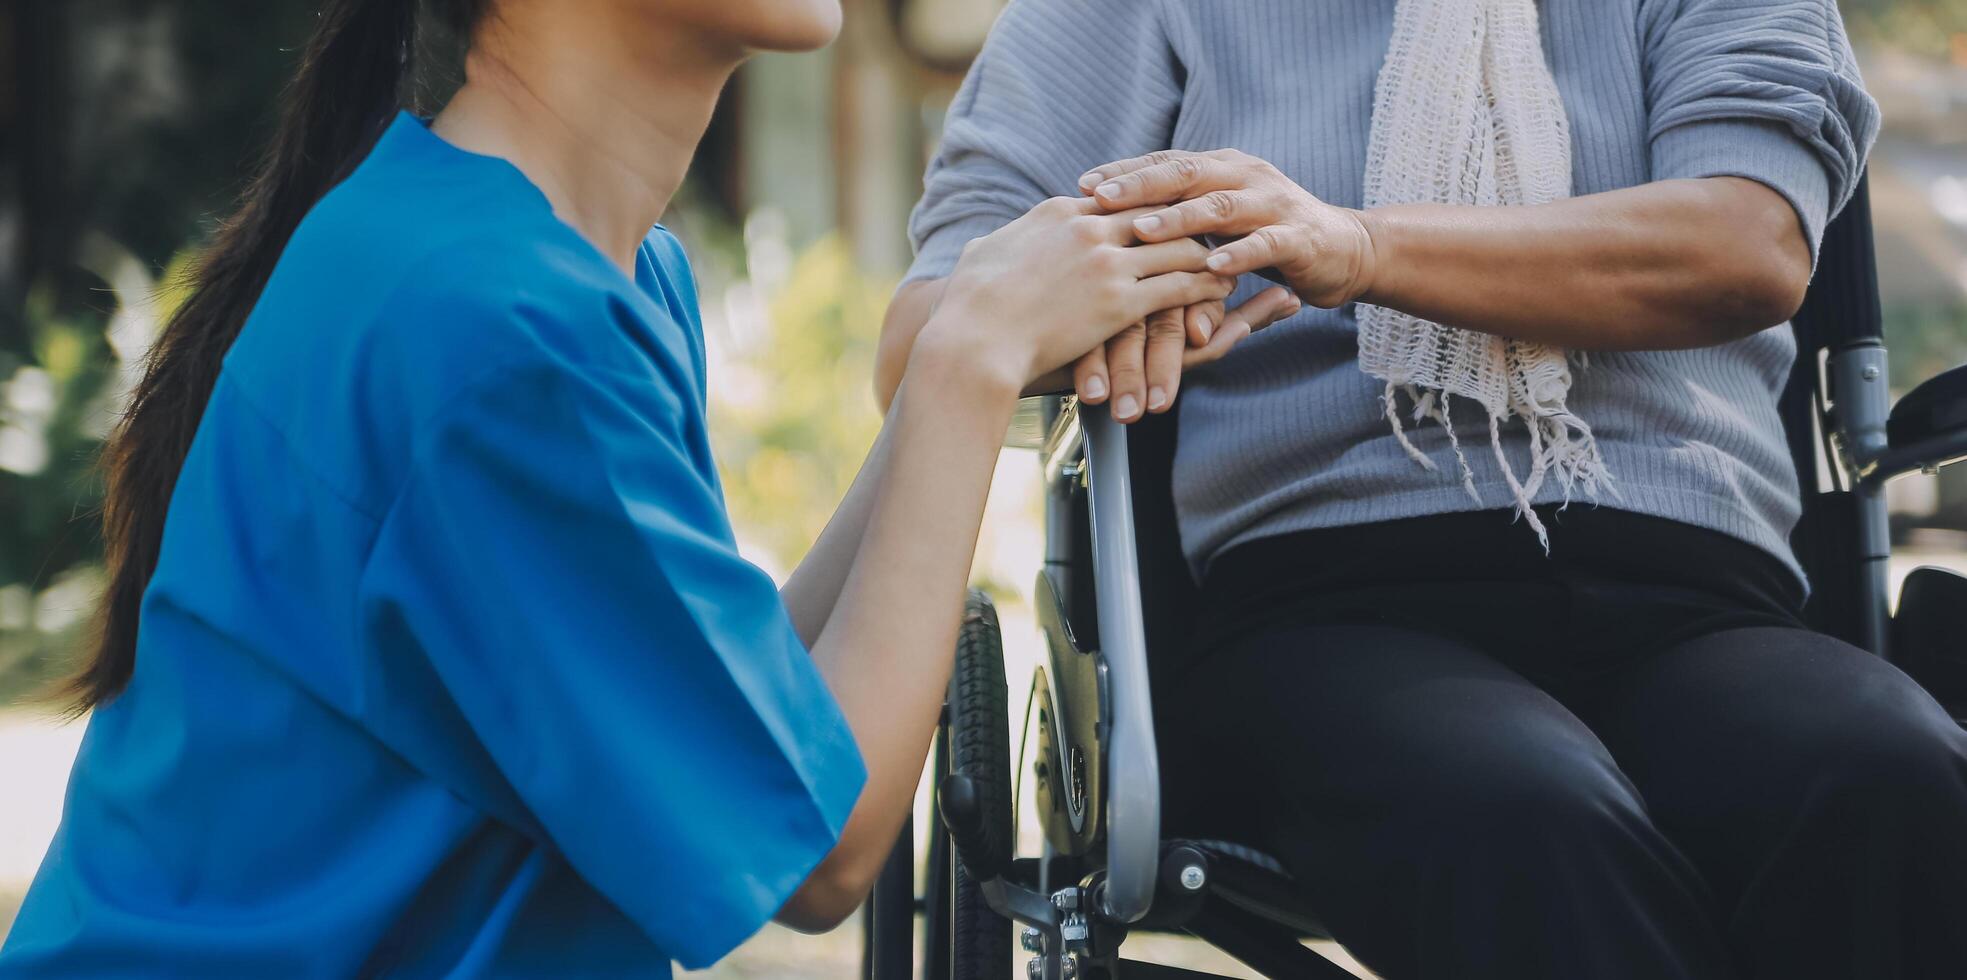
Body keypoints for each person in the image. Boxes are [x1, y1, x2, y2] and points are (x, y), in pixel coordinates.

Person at [0, 1, 1244, 975]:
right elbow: (816, 854)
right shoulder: (491, 328)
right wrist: (967, 361)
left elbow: (755, 721)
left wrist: (979, 334)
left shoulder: (577, 269)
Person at [879, 1, 1967, 978]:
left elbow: (1751, 243)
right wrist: (1116, 282)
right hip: (1325, 604)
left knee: (1892, 773)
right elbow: (930, 333)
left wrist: (1353, 247)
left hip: (1697, 593)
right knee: (1519, 812)